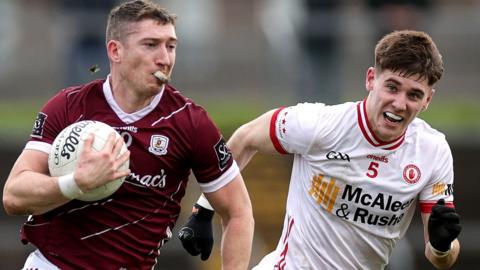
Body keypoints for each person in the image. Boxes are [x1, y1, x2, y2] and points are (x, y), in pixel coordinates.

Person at [2, 1, 254, 269]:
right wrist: (77, 183)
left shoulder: (190, 122)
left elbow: (238, 211)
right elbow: (14, 195)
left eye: (171, 46)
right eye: (150, 45)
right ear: (115, 51)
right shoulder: (70, 106)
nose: (165, 59)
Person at [179, 30, 462, 269]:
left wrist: (441, 246)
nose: (400, 104)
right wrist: (203, 209)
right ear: (371, 79)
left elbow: (441, 259)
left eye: (414, 95)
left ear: (427, 100)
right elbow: (244, 138)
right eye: (392, 87)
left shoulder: (432, 151)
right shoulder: (319, 124)